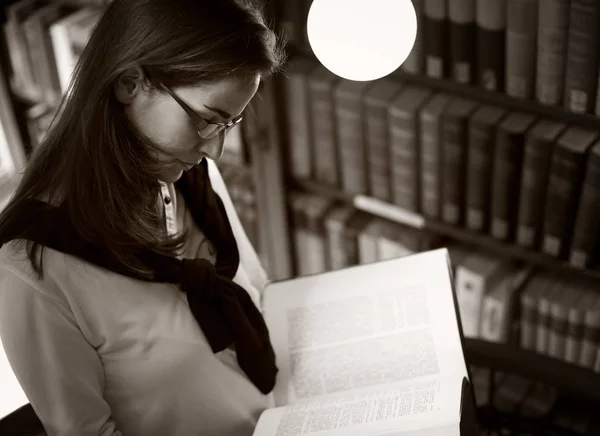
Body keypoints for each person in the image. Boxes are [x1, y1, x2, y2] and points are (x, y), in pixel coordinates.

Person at [0, 0, 286, 435]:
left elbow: (256, 288)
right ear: (129, 83)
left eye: (229, 124)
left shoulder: (191, 174)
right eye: (208, 120)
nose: (215, 150)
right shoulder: (30, 269)